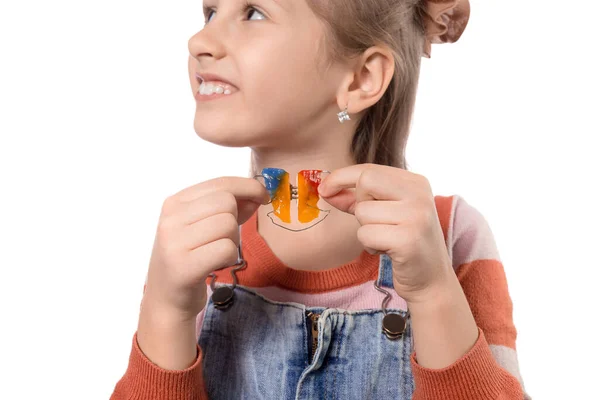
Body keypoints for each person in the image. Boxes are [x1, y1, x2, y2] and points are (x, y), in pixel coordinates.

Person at [110, 0, 531, 398]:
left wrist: (435, 295)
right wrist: (165, 313)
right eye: (210, 12)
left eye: (253, 12)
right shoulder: (196, 242)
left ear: (360, 79)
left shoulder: (450, 236)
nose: (199, 41)